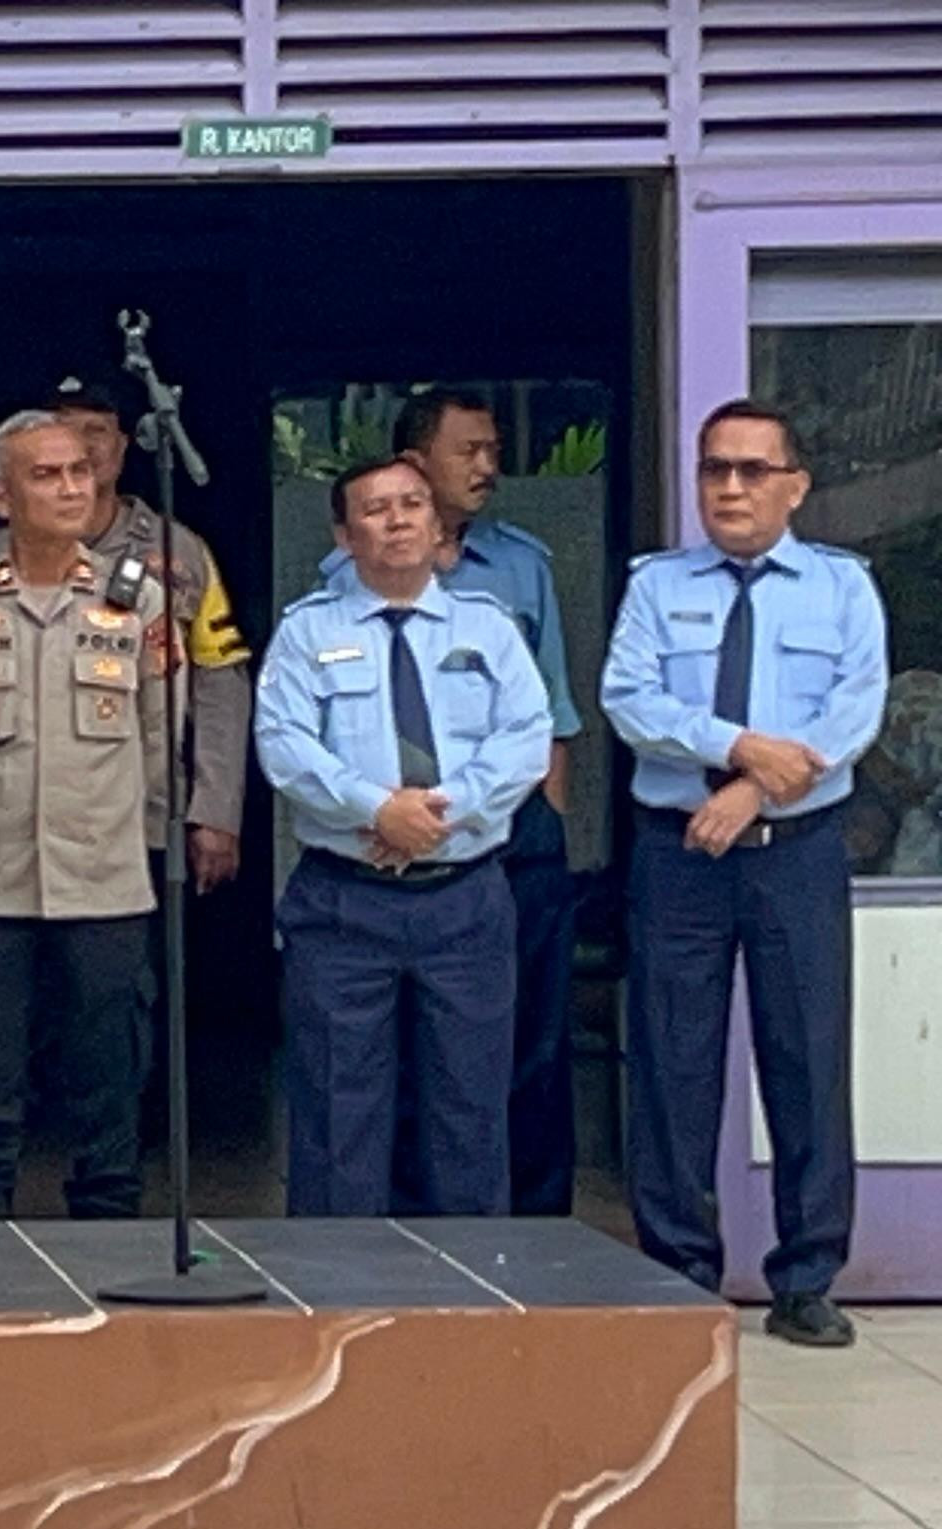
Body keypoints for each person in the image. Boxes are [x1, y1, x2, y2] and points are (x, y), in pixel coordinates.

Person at [601, 398, 887, 1348]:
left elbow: (852, 719)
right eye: (715, 469)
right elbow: (630, 699)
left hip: (795, 855)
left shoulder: (843, 589)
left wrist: (748, 794)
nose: (730, 487)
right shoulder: (656, 585)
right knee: (673, 1061)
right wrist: (736, 748)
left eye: (752, 471)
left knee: (807, 1059)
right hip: (679, 854)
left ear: (795, 486)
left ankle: (806, 1278)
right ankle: (678, 1271)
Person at [259, 458, 552, 1216]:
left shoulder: (487, 627)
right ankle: (337, 1304)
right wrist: (374, 811)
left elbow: (527, 738)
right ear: (343, 534)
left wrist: (431, 816)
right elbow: (284, 745)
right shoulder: (305, 633)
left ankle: (465, 1304)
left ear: (437, 524)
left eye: (412, 505)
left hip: (466, 900)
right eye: (376, 508)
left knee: (469, 1110)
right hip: (343, 903)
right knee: (337, 1116)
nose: (397, 520)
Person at [320, 386, 585, 1215]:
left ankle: (534, 1223)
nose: (488, 465)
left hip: (512, 832)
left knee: (531, 1040)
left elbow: (552, 717)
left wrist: (542, 832)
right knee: (399, 1050)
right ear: (414, 463)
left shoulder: (522, 564)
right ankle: (404, 1216)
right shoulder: (341, 578)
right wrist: (387, 820)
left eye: (492, 449)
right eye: (469, 449)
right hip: (389, 833)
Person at [0, 410, 171, 1220]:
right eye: (46, 475)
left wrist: (116, 825)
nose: (69, 487)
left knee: (108, 1087)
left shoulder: (139, 602)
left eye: (80, 473)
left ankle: (108, 1247)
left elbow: (159, 736)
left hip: (105, 885)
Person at [0, 377, 255, 892]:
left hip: (144, 816)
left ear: (123, 446)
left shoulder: (178, 549)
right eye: (65, 430)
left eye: (97, 430)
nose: (82, 445)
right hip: (19, 821)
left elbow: (219, 684)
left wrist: (215, 811)